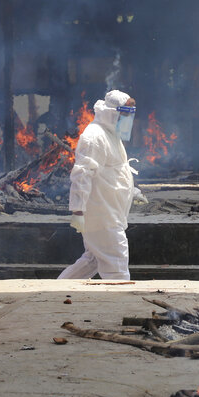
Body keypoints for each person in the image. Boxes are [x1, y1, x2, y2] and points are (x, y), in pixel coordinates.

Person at [58, 89, 138, 280]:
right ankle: (119, 306)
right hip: (102, 215)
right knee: (116, 263)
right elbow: (82, 175)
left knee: (92, 260)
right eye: (125, 115)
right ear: (112, 113)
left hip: (110, 212)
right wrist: (77, 211)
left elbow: (115, 171)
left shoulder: (111, 135)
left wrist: (133, 191)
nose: (128, 120)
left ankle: (55, 292)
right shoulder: (94, 136)